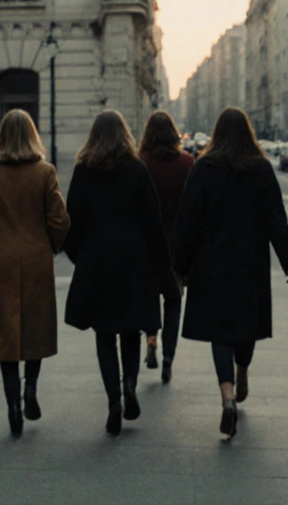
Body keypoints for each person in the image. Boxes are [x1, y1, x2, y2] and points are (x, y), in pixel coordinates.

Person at [173, 107, 288, 438]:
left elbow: (188, 222)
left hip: (210, 264)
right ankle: (243, 370)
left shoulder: (203, 168)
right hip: (250, 264)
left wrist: (179, 268)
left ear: (216, 134)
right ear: (248, 133)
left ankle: (227, 397)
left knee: (220, 333)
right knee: (246, 326)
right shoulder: (260, 168)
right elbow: (276, 217)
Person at [62, 110, 175, 435]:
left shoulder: (85, 170)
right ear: (125, 135)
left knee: (104, 333)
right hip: (134, 263)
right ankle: (129, 384)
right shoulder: (137, 169)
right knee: (130, 331)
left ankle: (113, 398)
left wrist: (79, 256)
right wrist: (160, 263)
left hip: (97, 263)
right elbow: (152, 221)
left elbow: (73, 220)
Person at [0, 109, 71, 436]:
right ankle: (31, 389)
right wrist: (49, 246)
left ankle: (12, 403)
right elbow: (59, 219)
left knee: (4, 331)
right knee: (34, 326)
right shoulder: (44, 172)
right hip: (36, 257)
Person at [137, 110, 195, 384]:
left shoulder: (141, 163)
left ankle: (150, 340)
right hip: (177, 245)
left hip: (147, 243)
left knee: (148, 297)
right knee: (173, 301)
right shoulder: (187, 163)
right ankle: (169, 356)